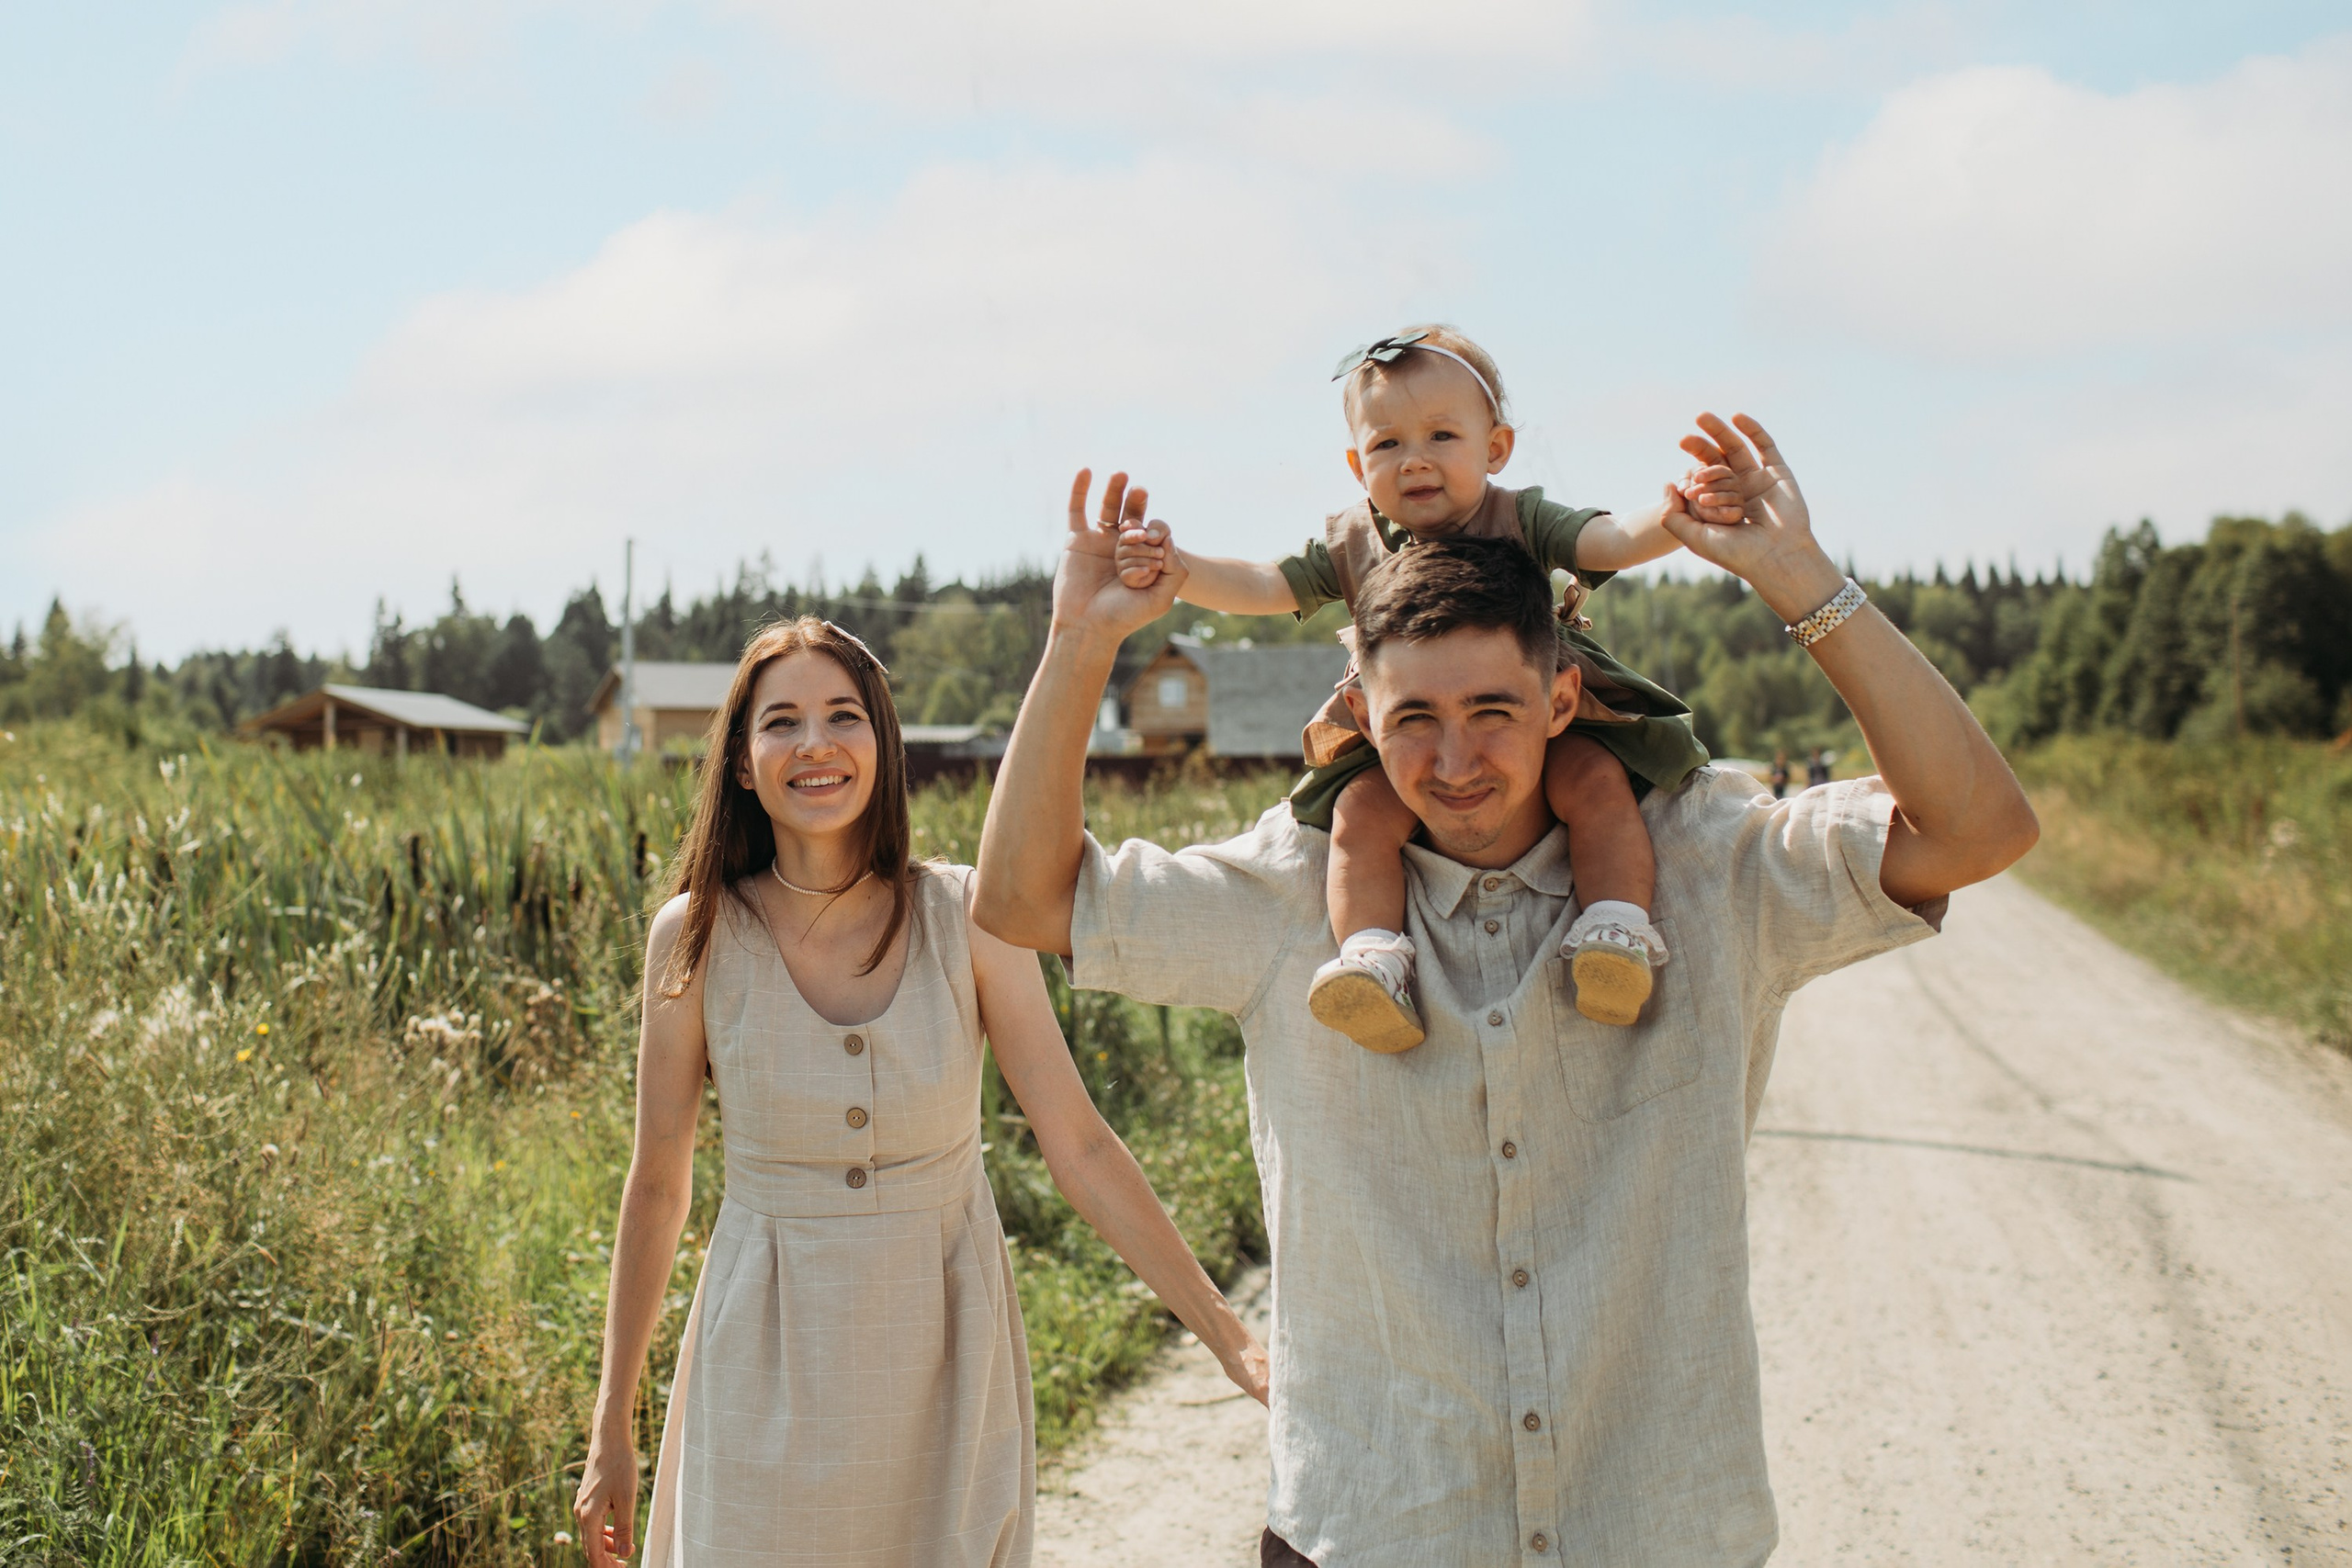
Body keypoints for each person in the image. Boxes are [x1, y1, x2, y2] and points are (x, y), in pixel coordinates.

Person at [974, 415, 2038, 1567]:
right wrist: (1079, 642)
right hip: (1376, 1527)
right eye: (1412, 721)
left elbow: (1977, 829)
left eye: (1492, 711)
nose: (1454, 763)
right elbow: (1025, 900)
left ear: (1563, 700)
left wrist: (1801, 581)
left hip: (1655, 1524)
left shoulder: (1706, 865)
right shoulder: (1291, 891)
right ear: (1360, 719)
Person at [572, 617, 1268, 1568]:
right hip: (762, 1363)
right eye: (781, 722)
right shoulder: (692, 936)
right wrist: (611, 1424)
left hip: (943, 1359)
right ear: (740, 763)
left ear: (882, 742)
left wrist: (1229, 1336)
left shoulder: (970, 915)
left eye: (842, 715)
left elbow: (1078, 1143)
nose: (815, 744)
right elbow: (658, 1183)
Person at [1112, 327, 1736, 1047]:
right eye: (1387, 444)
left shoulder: (1519, 516)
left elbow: (1610, 541)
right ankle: (1373, 957)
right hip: (1406, 725)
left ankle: (1615, 930)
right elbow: (1266, 583)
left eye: (1442, 435)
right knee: (1360, 813)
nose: (1414, 460)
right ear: (1357, 463)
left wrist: (1679, 513)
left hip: (1528, 712)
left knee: (1596, 781)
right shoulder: (1354, 540)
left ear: (1495, 448)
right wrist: (1181, 569)